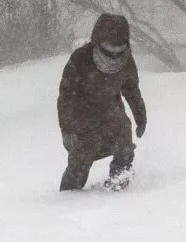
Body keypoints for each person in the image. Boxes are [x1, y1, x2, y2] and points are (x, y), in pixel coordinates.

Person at [57, 13, 147, 191]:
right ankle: (68, 198)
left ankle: (120, 182)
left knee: (124, 139)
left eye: (119, 48)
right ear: (98, 42)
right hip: (81, 118)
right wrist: (67, 129)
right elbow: (66, 97)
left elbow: (131, 90)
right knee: (80, 161)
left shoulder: (126, 60)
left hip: (111, 113)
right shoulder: (80, 59)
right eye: (109, 47)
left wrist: (140, 117)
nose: (114, 54)